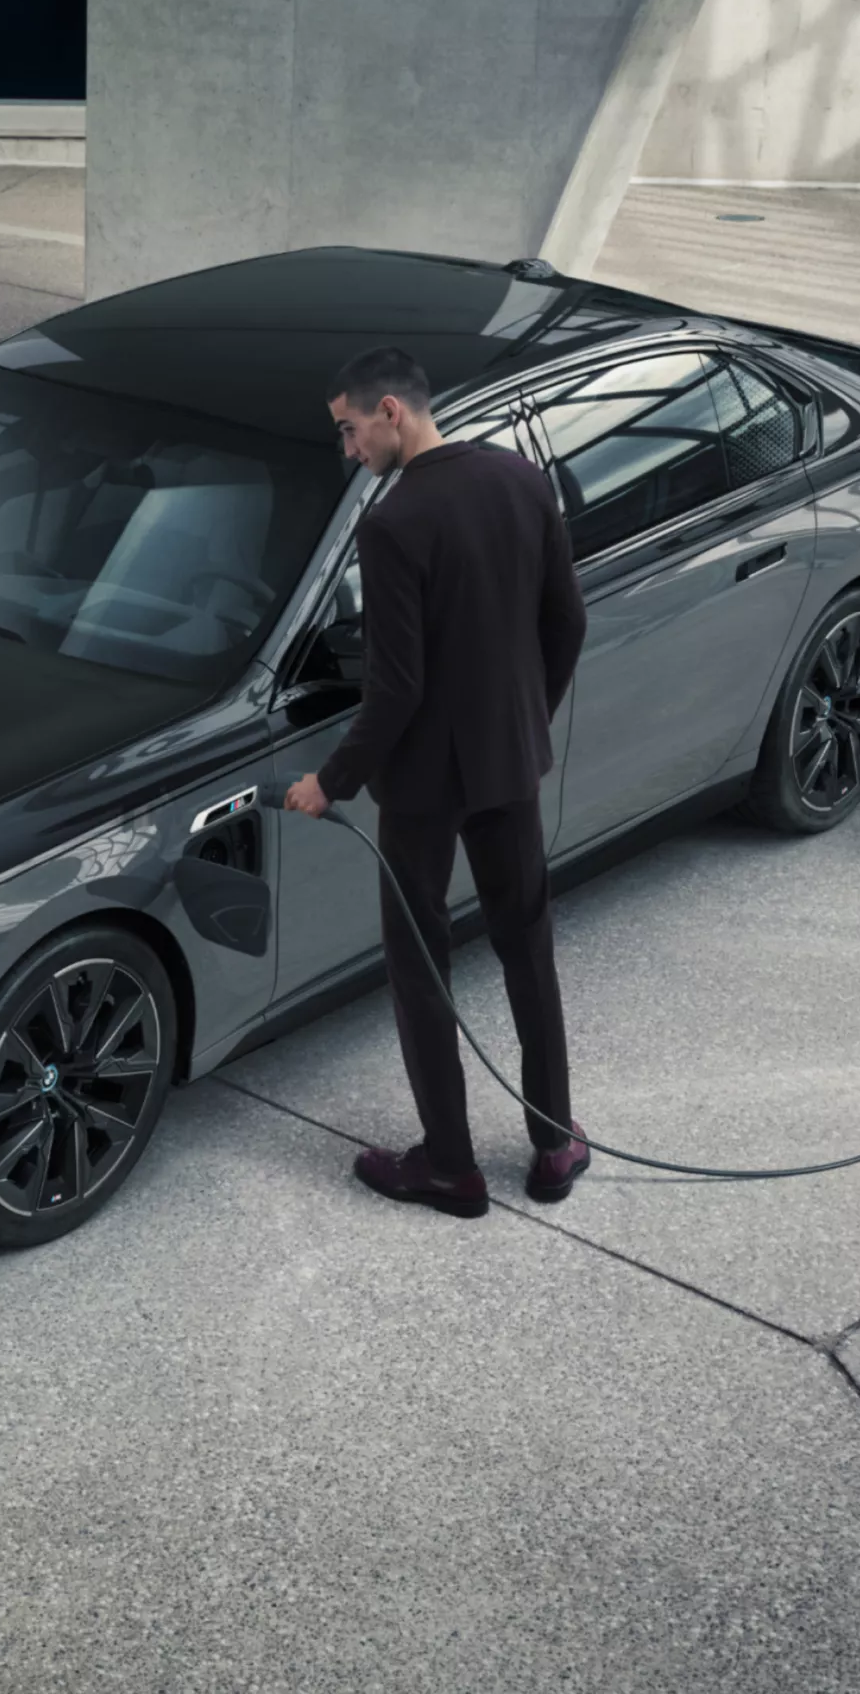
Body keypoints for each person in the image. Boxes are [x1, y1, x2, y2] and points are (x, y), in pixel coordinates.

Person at [283, 345, 590, 1218]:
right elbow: (567, 623)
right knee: (527, 947)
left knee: (422, 967)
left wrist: (331, 781)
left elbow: (397, 689)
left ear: (391, 410)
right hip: (509, 766)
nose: (349, 451)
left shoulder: (393, 524)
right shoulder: (522, 480)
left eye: (350, 431)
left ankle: (450, 1167)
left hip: (422, 786)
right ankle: (554, 1144)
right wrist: (525, 720)